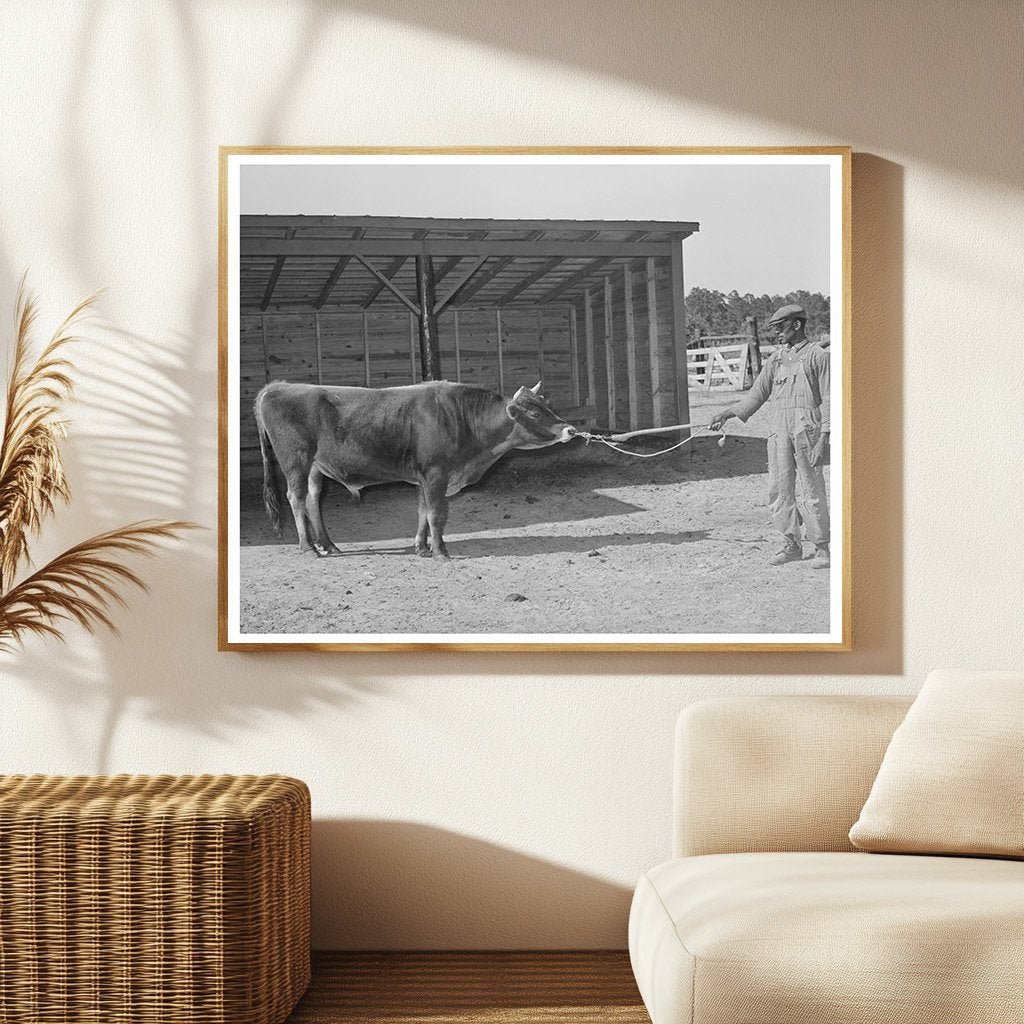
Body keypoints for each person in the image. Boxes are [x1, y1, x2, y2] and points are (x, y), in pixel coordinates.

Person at [708, 304, 831, 568]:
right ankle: (791, 544)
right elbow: (756, 395)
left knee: (812, 489)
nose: (776, 333)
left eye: (780, 327)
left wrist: (824, 438)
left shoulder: (818, 357)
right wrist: (727, 413)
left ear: (796, 325)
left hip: (807, 430)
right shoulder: (775, 360)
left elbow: (830, 399)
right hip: (778, 432)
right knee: (779, 488)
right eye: (774, 329)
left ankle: (821, 546)